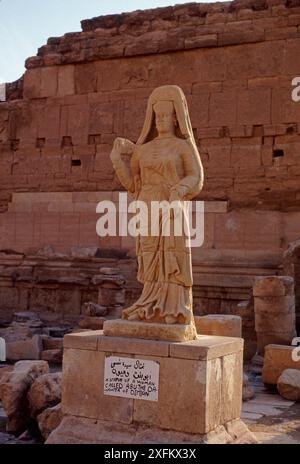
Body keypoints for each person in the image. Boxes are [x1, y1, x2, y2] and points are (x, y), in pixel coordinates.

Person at [110, 85, 204, 325]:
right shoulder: (143, 150)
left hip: (171, 205)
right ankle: (150, 304)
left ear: (175, 118)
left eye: (165, 116)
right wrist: (117, 161)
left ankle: (174, 307)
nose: (161, 120)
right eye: (157, 116)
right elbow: (133, 185)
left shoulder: (182, 146)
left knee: (172, 256)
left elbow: (196, 177)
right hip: (147, 206)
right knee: (149, 256)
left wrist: (181, 189)